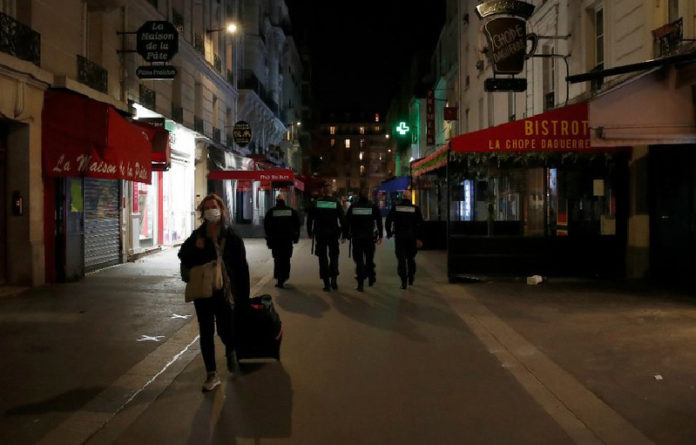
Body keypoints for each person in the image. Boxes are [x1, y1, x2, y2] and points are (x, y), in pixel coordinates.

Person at [178, 193, 250, 392]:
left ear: (221, 209)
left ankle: (230, 350)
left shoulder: (232, 236)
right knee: (206, 331)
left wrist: (243, 297)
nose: (211, 210)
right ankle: (211, 373)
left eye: (214, 206)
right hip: (204, 292)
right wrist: (197, 248)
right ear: (203, 212)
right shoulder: (198, 236)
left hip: (225, 292)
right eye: (207, 207)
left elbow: (242, 268)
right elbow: (182, 255)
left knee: (226, 328)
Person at [306, 183, 346, 291]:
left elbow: (310, 219)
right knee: (334, 256)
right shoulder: (336, 203)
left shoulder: (316, 203)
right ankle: (334, 279)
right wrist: (344, 235)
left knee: (322, 258)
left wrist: (309, 233)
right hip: (333, 234)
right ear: (330, 191)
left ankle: (326, 283)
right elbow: (343, 220)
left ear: (323, 192)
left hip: (320, 234)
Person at [346, 188, 383, 291]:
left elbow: (347, 221)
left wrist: (346, 234)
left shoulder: (353, 207)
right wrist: (380, 235)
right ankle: (371, 279)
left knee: (359, 261)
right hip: (369, 238)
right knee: (369, 259)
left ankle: (360, 284)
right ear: (367, 195)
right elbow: (379, 221)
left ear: (358, 195)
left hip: (357, 238)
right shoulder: (373, 207)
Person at [385, 189, 423, 289]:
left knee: (401, 259)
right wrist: (419, 238)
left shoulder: (396, 208)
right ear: (410, 197)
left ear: (402, 197)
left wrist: (389, 233)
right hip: (411, 237)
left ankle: (403, 281)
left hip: (400, 237)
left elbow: (388, 221)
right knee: (411, 258)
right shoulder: (415, 208)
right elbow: (420, 224)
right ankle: (411, 277)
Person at [264, 193, 301, 288]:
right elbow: (297, 224)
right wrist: (296, 238)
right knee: (286, 258)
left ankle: (279, 279)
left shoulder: (271, 211)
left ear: (276, 201)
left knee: (277, 259)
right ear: (284, 201)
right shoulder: (290, 211)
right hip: (287, 240)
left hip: (275, 240)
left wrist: (268, 239)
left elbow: (266, 226)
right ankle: (285, 276)